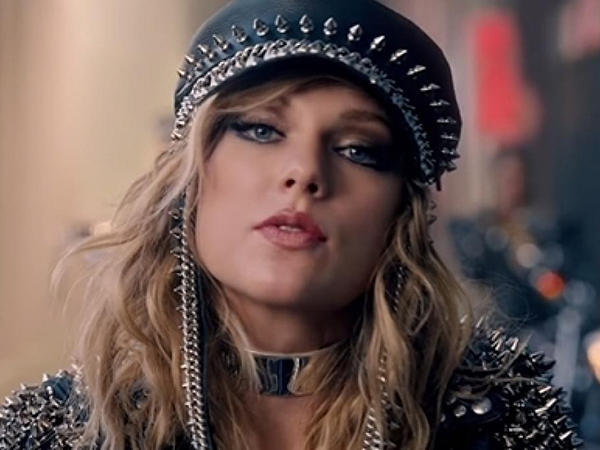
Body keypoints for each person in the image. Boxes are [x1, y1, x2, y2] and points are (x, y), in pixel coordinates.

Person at [0, 0, 583, 449]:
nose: (305, 171)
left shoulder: (500, 421)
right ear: (190, 174)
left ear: (401, 213)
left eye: (357, 149)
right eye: (261, 130)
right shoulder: (58, 432)